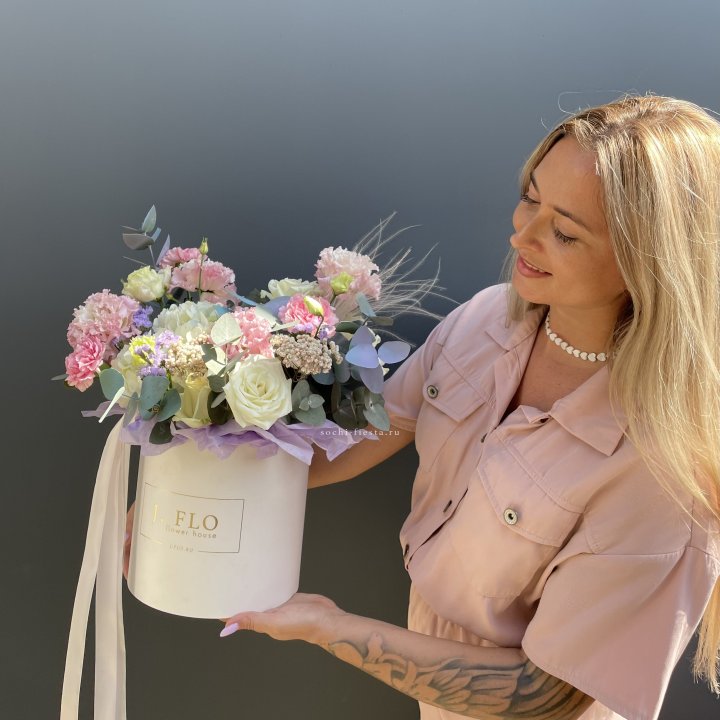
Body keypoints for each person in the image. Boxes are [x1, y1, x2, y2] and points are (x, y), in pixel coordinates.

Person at [126, 94, 720, 720]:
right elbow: (358, 438)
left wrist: (329, 628)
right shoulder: (487, 319)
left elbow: (547, 694)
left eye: (565, 232)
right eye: (530, 198)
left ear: (651, 261)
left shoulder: (663, 473)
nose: (522, 234)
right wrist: (193, 488)